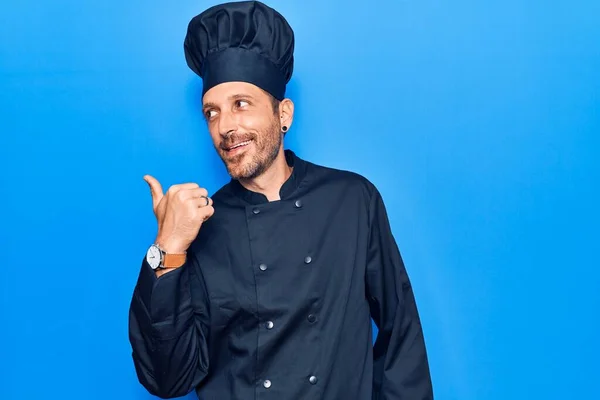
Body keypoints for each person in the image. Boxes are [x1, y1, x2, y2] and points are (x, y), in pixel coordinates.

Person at [128, 1, 434, 399]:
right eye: (211, 112)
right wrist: (167, 247)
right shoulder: (201, 229)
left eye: (241, 104)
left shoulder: (352, 201)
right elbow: (167, 380)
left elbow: (401, 337)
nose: (225, 127)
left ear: (283, 113)